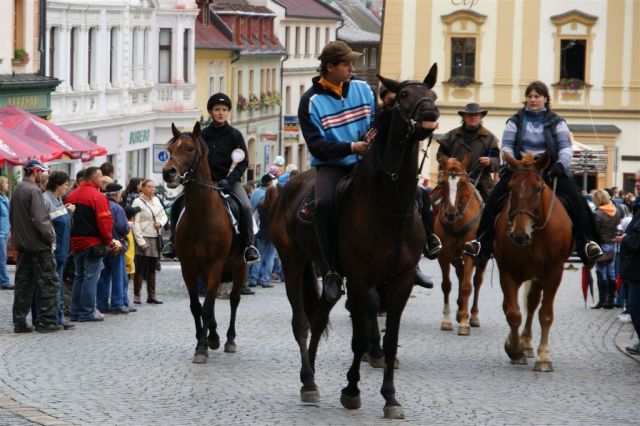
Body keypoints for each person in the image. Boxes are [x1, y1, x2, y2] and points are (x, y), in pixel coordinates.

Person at [463, 80, 603, 265]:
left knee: (577, 201)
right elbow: (506, 147)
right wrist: (513, 163)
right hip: (520, 169)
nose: (533, 100)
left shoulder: (557, 122)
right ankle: (482, 241)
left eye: (537, 96)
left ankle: (588, 243)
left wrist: (561, 164)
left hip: (549, 168)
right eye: (529, 96)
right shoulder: (515, 121)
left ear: (545, 99)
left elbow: (565, 147)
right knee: (494, 199)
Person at [298, 40, 377, 303]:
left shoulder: (363, 88)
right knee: (324, 204)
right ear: (330, 67)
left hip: (366, 161)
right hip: (332, 166)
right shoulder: (310, 101)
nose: (352, 69)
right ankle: (331, 270)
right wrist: (352, 147)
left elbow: (377, 120)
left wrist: (373, 136)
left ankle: (414, 261)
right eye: (347, 64)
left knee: (405, 190)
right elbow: (318, 147)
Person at [162, 93, 260, 264]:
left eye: (224, 110)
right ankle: (172, 242)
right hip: (202, 183)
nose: (220, 113)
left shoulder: (235, 135)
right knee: (178, 203)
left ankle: (248, 246)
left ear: (228, 112)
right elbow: (193, 159)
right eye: (216, 110)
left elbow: (243, 161)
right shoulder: (202, 135)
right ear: (211, 112)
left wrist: (229, 181)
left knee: (245, 206)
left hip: (228, 181)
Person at [10, 160, 60, 333]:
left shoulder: (17, 189)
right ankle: (47, 321)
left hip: (23, 245)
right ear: (35, 171)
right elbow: (41, 220)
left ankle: (20, 322)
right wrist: (51, 236)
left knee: (24, 284)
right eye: (42, 172)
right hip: (38, 246)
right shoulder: (34, 191)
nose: (43, 175)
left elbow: (13, 217)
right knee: (49, 283)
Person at [65, 166, 117, 322]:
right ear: (94, 178)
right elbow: (104, 222)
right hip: (93, 243)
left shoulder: (71, 195)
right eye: (101, 177)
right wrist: (109, 241)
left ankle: (75, 311)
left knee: (79, 277)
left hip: (76, 243)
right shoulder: (98, 197)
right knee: (90, 278)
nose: (103, 180)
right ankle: (87, 312)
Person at [436, 103, 500, 201]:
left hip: (481, 182)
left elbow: (497, 160)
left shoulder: (490, 138)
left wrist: (490, 161)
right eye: (470, 115)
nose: (473, 117)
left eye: (476, 115)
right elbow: (440, 155)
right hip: (454, 179)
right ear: (464, 117)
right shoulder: (451, 135)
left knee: (493, 206)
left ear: (480, 117)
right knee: (433, 202)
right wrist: (447, 160)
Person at [43, 171, 75, 329]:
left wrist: (68, 212)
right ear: (57, 185)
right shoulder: (46, 199)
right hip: (54, 250)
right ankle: (53, 317)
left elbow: (64, 222)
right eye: (66, 185)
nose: (67, 187)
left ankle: (59, 315)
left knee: (60, 284)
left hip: (63, 251)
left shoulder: (59, 199)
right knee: (54, 285)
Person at [614, 174, 640, 355]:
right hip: (632, 268)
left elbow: (637, 241)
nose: (636, 184)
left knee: (635, 308)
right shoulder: (637, 204)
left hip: (637, 268)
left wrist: (625, 239)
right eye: (637, 180)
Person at [132, 179, 168, 304]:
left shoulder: (157, 200)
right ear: (142, 188)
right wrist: (140, 241)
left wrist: (161, 223)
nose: (152, 189)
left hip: (155, 236)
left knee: (153, 267)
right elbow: (134, 222)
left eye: (153, 187)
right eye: (149, 187)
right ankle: (137, 294)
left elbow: (164, 215)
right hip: (143, 236)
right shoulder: (137, 201)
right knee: (140, 267)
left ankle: (151, 295)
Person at [96, 183, 130, 314]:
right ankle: (117, 303)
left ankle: (102, 304)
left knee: (103, 276)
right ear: (116, 195)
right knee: (118, 275)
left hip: (102, 245)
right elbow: (124, 227)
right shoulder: (117, 208)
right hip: (116, 245)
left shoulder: (101, 205)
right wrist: (129, 227)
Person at [590, 189, 621, 309]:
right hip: (613, 245)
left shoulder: (597, 214)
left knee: (600, 272)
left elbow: (594, 232)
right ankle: (611, 300)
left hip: (602, 245)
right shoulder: (616, 211)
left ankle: (602, 300)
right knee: (611, 272)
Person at [248, 174, 278, 288]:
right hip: (273, 234)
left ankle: (253, 279)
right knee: (270, 257)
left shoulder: (261, 205)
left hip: (262, 232)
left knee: (258, 256)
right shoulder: (277, 206)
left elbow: (255, 216)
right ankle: (265, 280)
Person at [0, 176, 12, 290]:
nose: (8, 185)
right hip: (0, 234)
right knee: (2, 257)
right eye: (6, 183)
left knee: (2, 257)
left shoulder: (5, 199)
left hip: (5, 232)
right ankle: (4, 281)